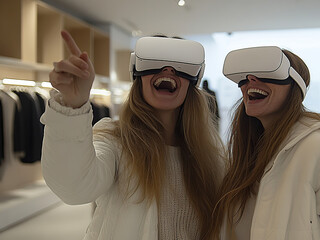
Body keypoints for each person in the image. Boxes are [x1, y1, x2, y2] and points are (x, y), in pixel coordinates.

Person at [41, 31, 223, 240]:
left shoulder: (211, 156)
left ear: (194, 80)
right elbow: (74, 187)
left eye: (181, 66)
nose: (168, 70)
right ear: (137, 73)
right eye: (155, 60)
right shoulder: (115, 140)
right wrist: (72, 106)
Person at [210, 46, 320, 239]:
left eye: (267, 73)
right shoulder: (247, 152)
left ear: (295, 86)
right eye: (245, 77)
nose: (251, 79)